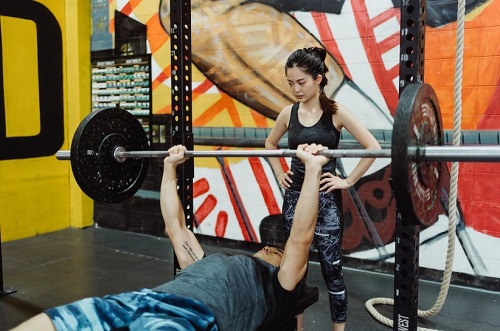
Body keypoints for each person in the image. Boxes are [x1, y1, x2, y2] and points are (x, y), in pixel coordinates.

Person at [10, 143, 330, 331]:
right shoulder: (200, 261)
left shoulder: (279, 286)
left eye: (273, 250)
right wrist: (168, 167)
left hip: (192, 319)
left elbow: (300, 238)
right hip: (144, 300)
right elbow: (175, 226)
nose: (268, 248)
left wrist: (313, 170)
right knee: (52, 323)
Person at [265, 47, 382, 331]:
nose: (295, 89)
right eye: (290, 83)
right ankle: (298, 328)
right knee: (295, 269)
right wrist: (280, 172)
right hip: (295, 198)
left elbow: (373, 147)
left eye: (301, 82)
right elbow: (269, 145)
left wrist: (348, 180)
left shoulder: (336, 112)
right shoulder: (287, 113)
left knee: (332, 270)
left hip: (326, 199)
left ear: (318, 79)